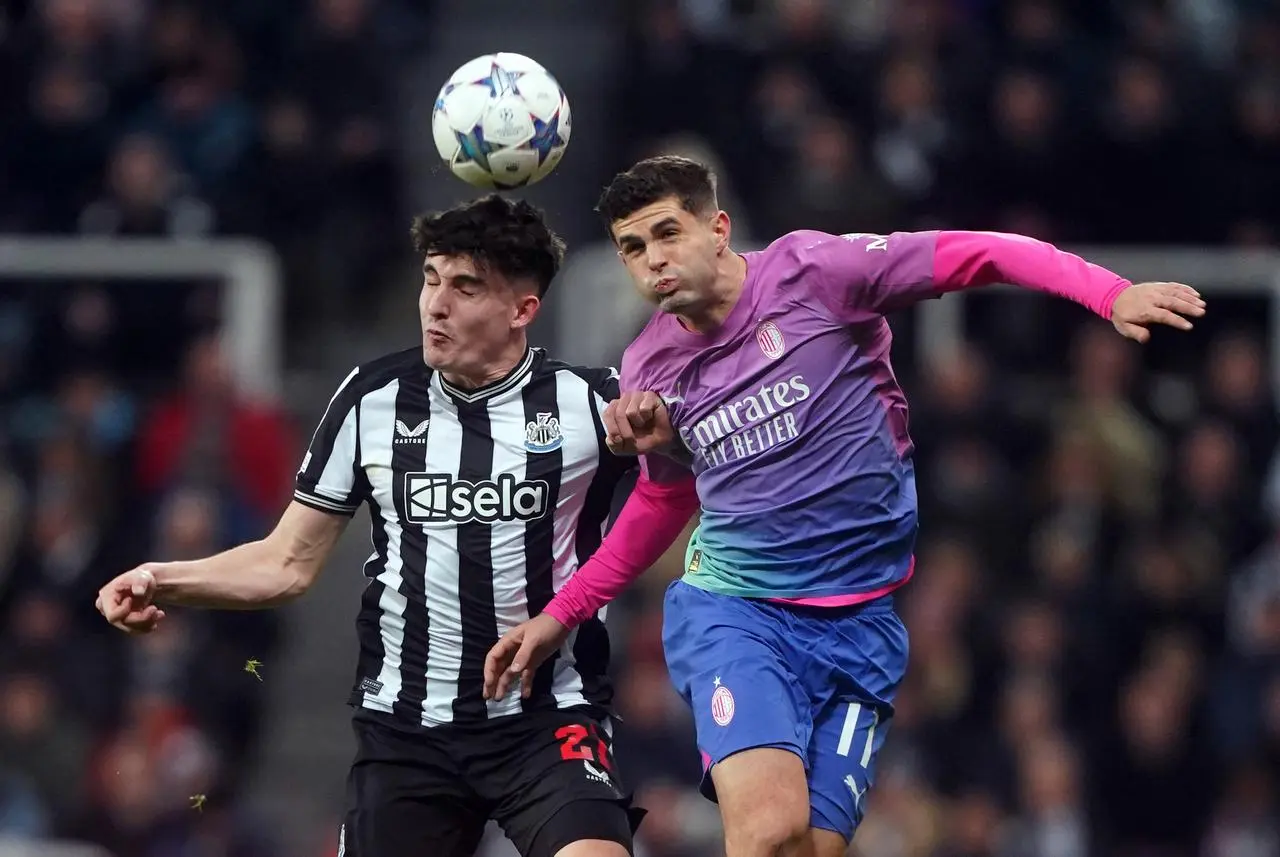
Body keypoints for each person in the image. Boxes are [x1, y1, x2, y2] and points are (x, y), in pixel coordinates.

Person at [483, 156, 1206, 857]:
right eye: (632, 248)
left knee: (809, 847)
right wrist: (561, 614)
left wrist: (1110, 295)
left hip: (861, 626)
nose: (652, 262)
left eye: (668, 233)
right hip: (739, 612)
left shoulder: (818, 273)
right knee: (766, 830)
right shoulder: (650, 367)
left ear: (718, 228)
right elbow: (663, 501)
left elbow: (978, 253)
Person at [95, 194, 647, 857]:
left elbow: (693, 489)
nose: (435, 304)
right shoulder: (372, 399)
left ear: (522, 309)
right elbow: (286, 562)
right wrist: (161, 578)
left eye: (464, 286)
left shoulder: (593, 402)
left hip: (548, 721)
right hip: (407, 734)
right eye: (430, 279)